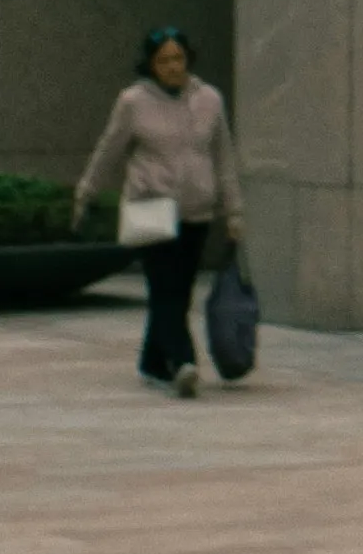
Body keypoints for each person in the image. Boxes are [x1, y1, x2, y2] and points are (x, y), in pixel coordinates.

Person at [70, 27, 244, 397]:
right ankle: (184, 362)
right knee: (164, 287)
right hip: (151, 206)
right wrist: (86, 191)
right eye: (163, 60)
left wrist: (234, 211)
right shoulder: (134, 101)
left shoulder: (209, 99)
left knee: (179, 290)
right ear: (150, 64)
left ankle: (151, 361)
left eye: (178, 58)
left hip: (196, 210)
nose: (172, 67)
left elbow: (224, 156)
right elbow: (109, 149)